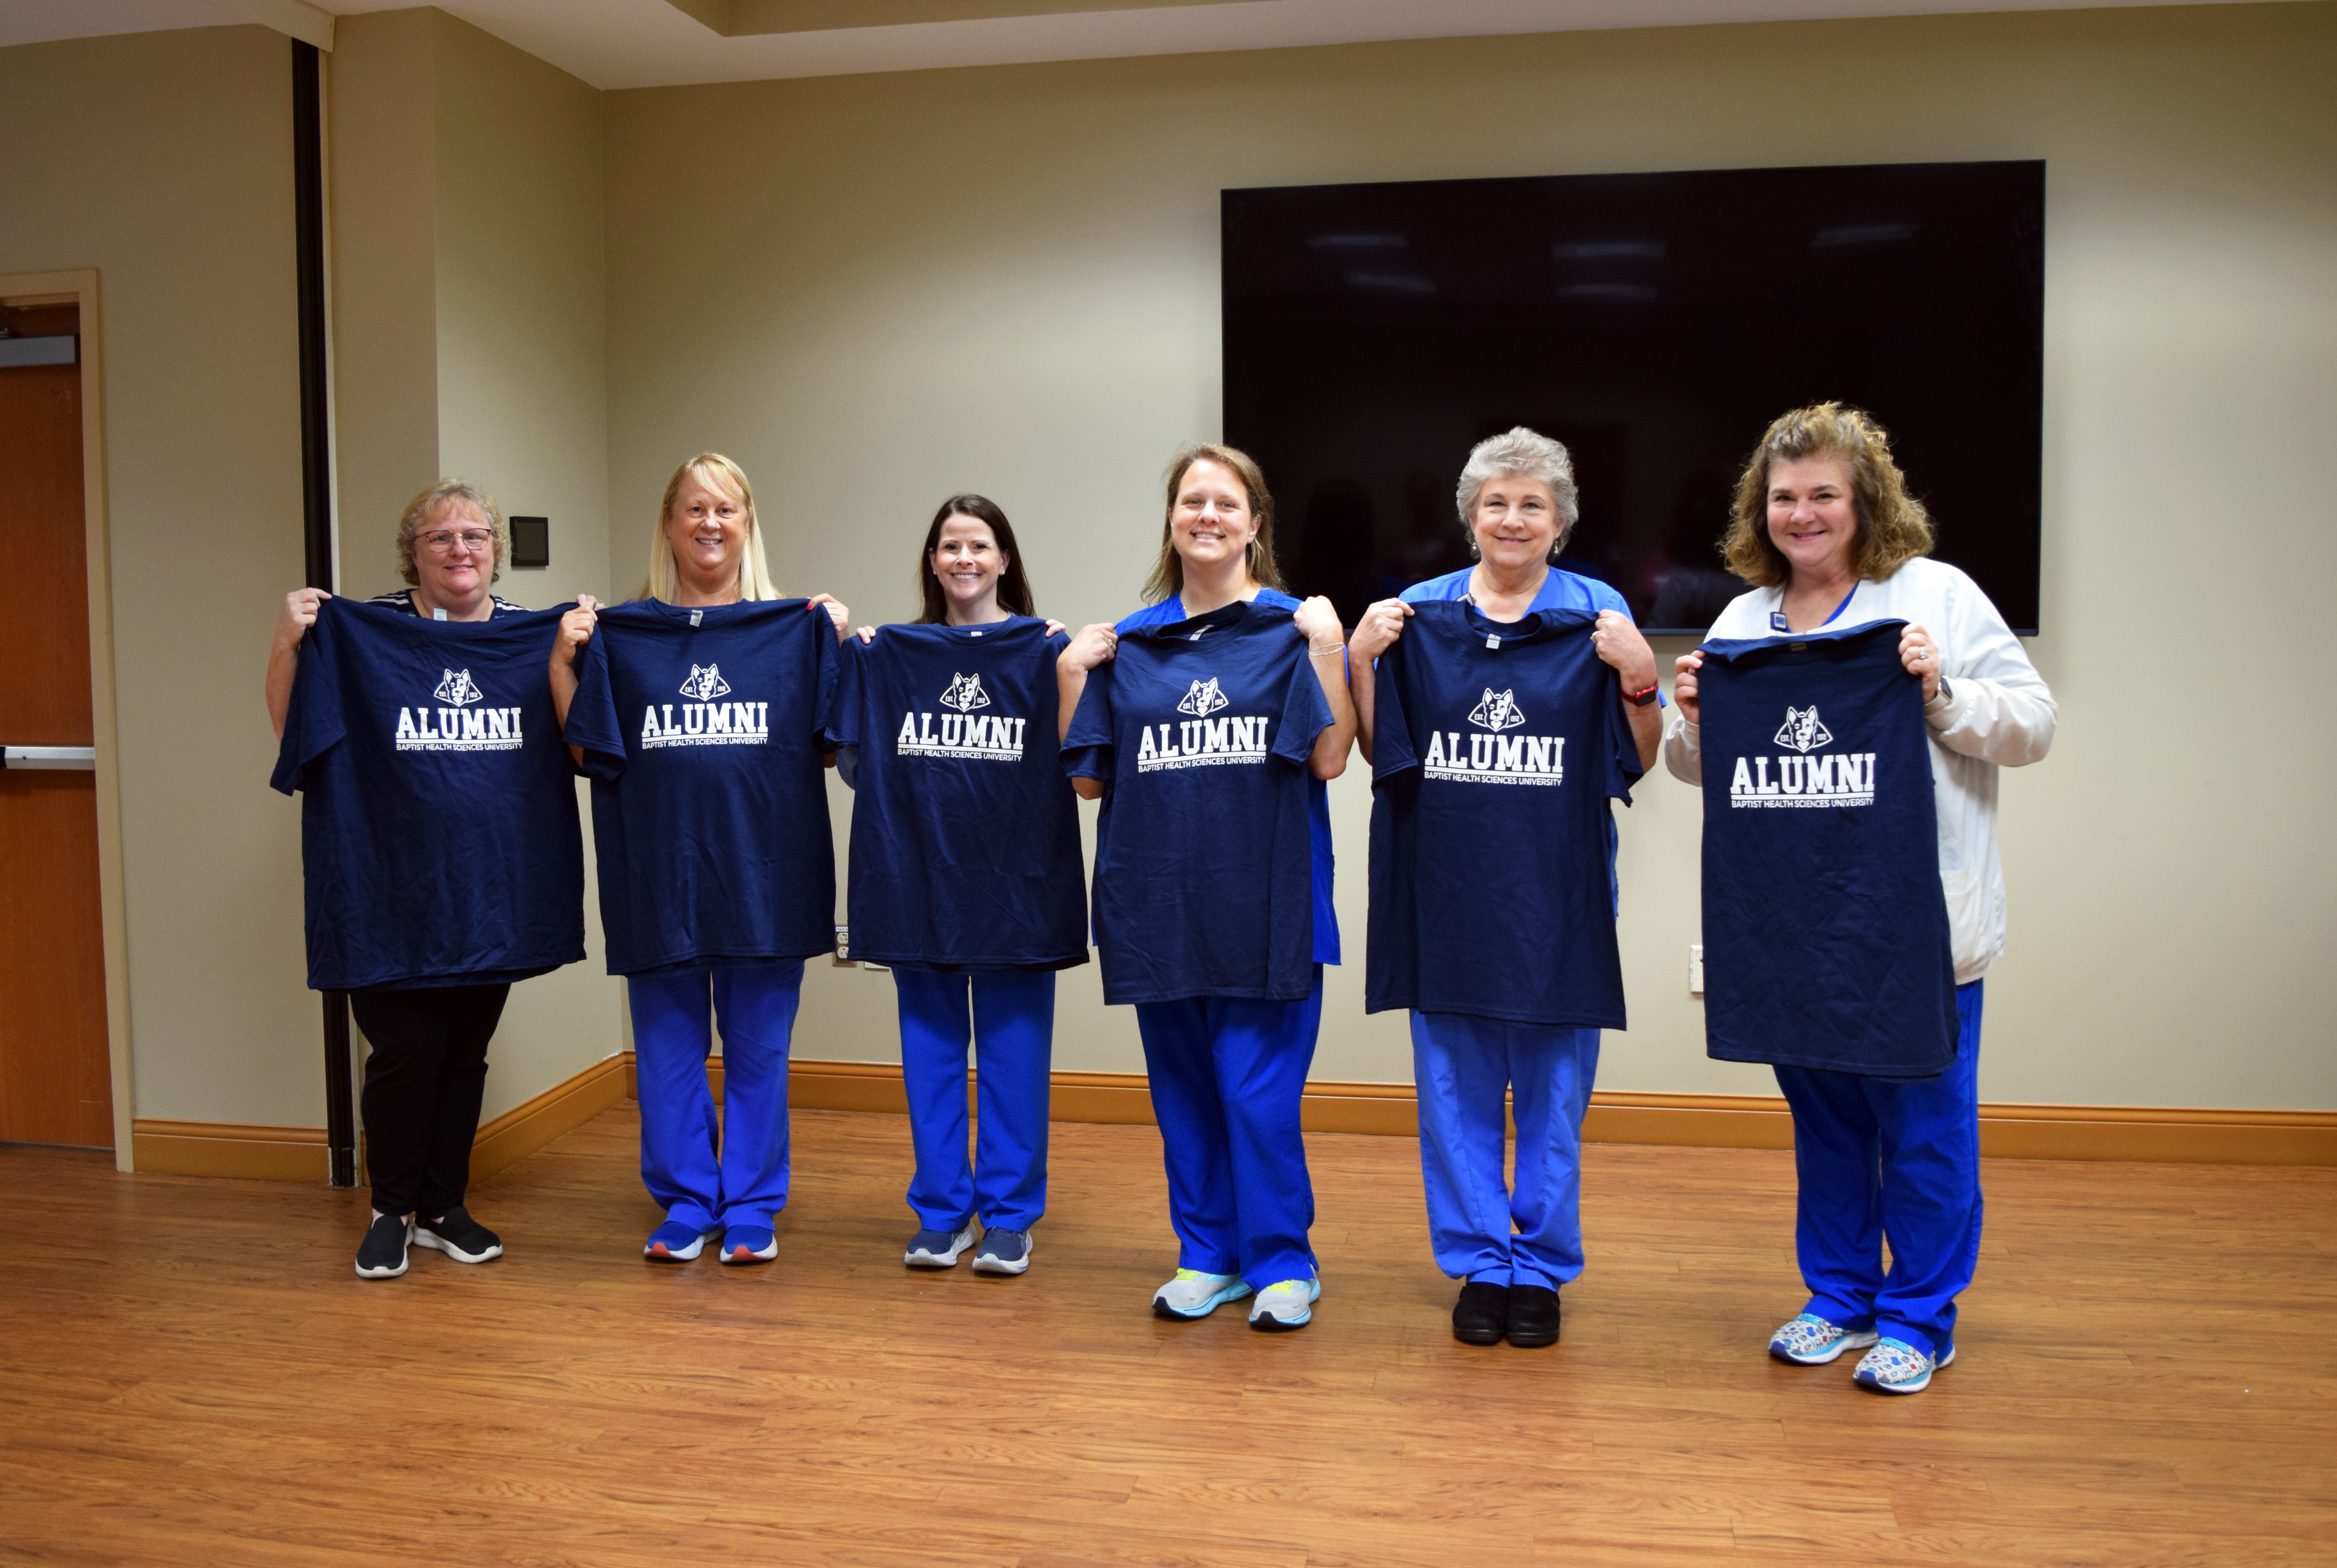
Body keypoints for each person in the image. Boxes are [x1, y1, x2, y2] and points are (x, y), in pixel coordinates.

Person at [1664, 402, 2055, 1394]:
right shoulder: (1743, 617)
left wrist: (1941, 694)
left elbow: (2035, 724)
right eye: (1784, 498)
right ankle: (1838, 1296)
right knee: (1828, 1125)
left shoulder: (1938, 597)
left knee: (1926, 1128)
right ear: (1762, 511)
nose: (1802, 515)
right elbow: (1698, 769)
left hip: (1914, 930)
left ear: (1864, 500)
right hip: (1792, 931)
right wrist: (1696, 716)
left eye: (1823, 495)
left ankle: (1920, 1315)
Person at [1347, 428, 1662, 1348]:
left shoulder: (1596, 609)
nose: (1513, 518)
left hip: (1556, 892)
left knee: (1555, 1089)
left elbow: (1630, 764)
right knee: (1453, 1086)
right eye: (1496, 502)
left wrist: (1641, 679)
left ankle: (1544, 1265)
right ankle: (1484, 1262)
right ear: (1469, 516)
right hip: (1442, 888)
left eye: (1532, 504)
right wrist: (1364, 661)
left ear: (1560, 520)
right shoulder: (1415, 612)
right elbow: (1381, 752)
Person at [1057, 444, 1355, 1331]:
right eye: (1193, 501)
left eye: (1227, 503)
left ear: (1255, 525)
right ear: (1174, 522)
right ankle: (1206, 1255)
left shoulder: (1291, 630)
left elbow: (1333, 756)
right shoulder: (1132, 642)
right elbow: (1087, 782)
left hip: (1267, 904)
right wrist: (1075, 669)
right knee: (1183, 1093)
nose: (1209, 515)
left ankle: (1282, 1260)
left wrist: (1331, 649)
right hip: (1158, 906)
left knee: (1256, 1096)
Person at [551, 453, 850, 1268]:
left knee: (758, 1051)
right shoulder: (625, 633)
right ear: (670, 525)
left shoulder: (794, 630)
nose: (710, 524)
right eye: (694, 509)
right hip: (657, 875)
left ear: (746, 523)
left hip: (768, 875)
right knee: (669, 1050)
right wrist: (562, 661)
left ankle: (752, 1203)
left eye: (725, 509)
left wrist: (840, 642)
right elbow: (587, 753)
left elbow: (832, 748)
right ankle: (687, 1201)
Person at [266, 479, 548, 1280]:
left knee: (464, 1053)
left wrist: (577, 647)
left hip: (490, 891)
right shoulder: (363, 633)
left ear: (496, 549)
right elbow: (294, 736)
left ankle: (443, 1206)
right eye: (441, 537)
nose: (461, 549)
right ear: (412, 554)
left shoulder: (529, 635)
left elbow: (575, 738)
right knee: (404, 1052)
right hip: (383, 890)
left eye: (476, 535)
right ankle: (390, 1208)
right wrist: (287, 643)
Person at [828, 496, 1083, 1276]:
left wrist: (1072, 663)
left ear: (1005, 559)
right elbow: (850, 763)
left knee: (1014, 1058)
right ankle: (942, 1214)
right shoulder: (888, 655)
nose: (964, 559)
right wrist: (851, 650)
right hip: (918, 882)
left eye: (979, 545)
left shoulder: (1048, 652)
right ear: (932, 562)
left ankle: (1008, 1217)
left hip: (1017, 884)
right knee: (930, 1058)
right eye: (949, 546)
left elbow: (1084, 760)